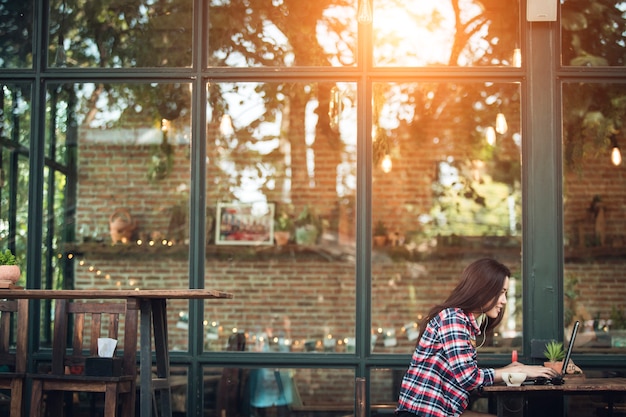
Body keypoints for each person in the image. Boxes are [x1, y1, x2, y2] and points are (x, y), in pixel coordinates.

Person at [395, 258, 558, 417]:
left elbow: (466, 380)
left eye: (505, 293)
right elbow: (468, 378)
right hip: (422, 412)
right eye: (501, 293)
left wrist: (508, 372)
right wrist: (517, 371)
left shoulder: (464, 324)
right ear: (482, 290)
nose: (504, 301)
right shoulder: (453, 318)